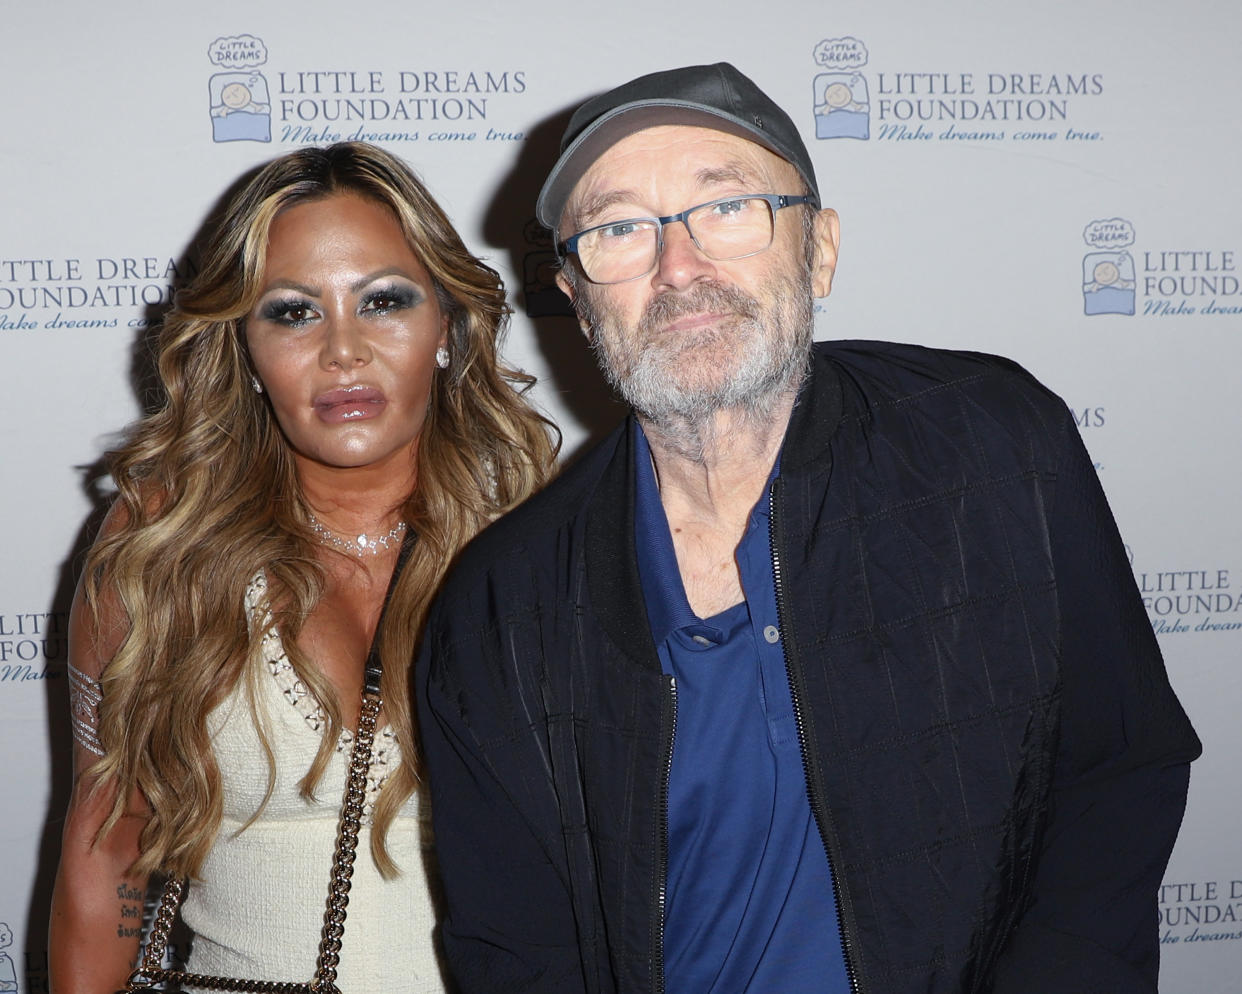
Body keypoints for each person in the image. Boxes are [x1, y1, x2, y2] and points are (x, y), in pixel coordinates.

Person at [417, 64, 1201, 994]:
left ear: (820, 249)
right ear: (580, 303)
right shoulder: (501, 608)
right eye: (619, 229)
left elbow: (1116, 769)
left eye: (730, 207)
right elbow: (515, 952)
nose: (680, 268)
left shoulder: (995, 443)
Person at [48, 141, 557, 992]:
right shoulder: (163, 543)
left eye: (384, 301)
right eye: (292, 312)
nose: (343, 350)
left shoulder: (533, 538)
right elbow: (108, 854)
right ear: (244, 351)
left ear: (445, 326)